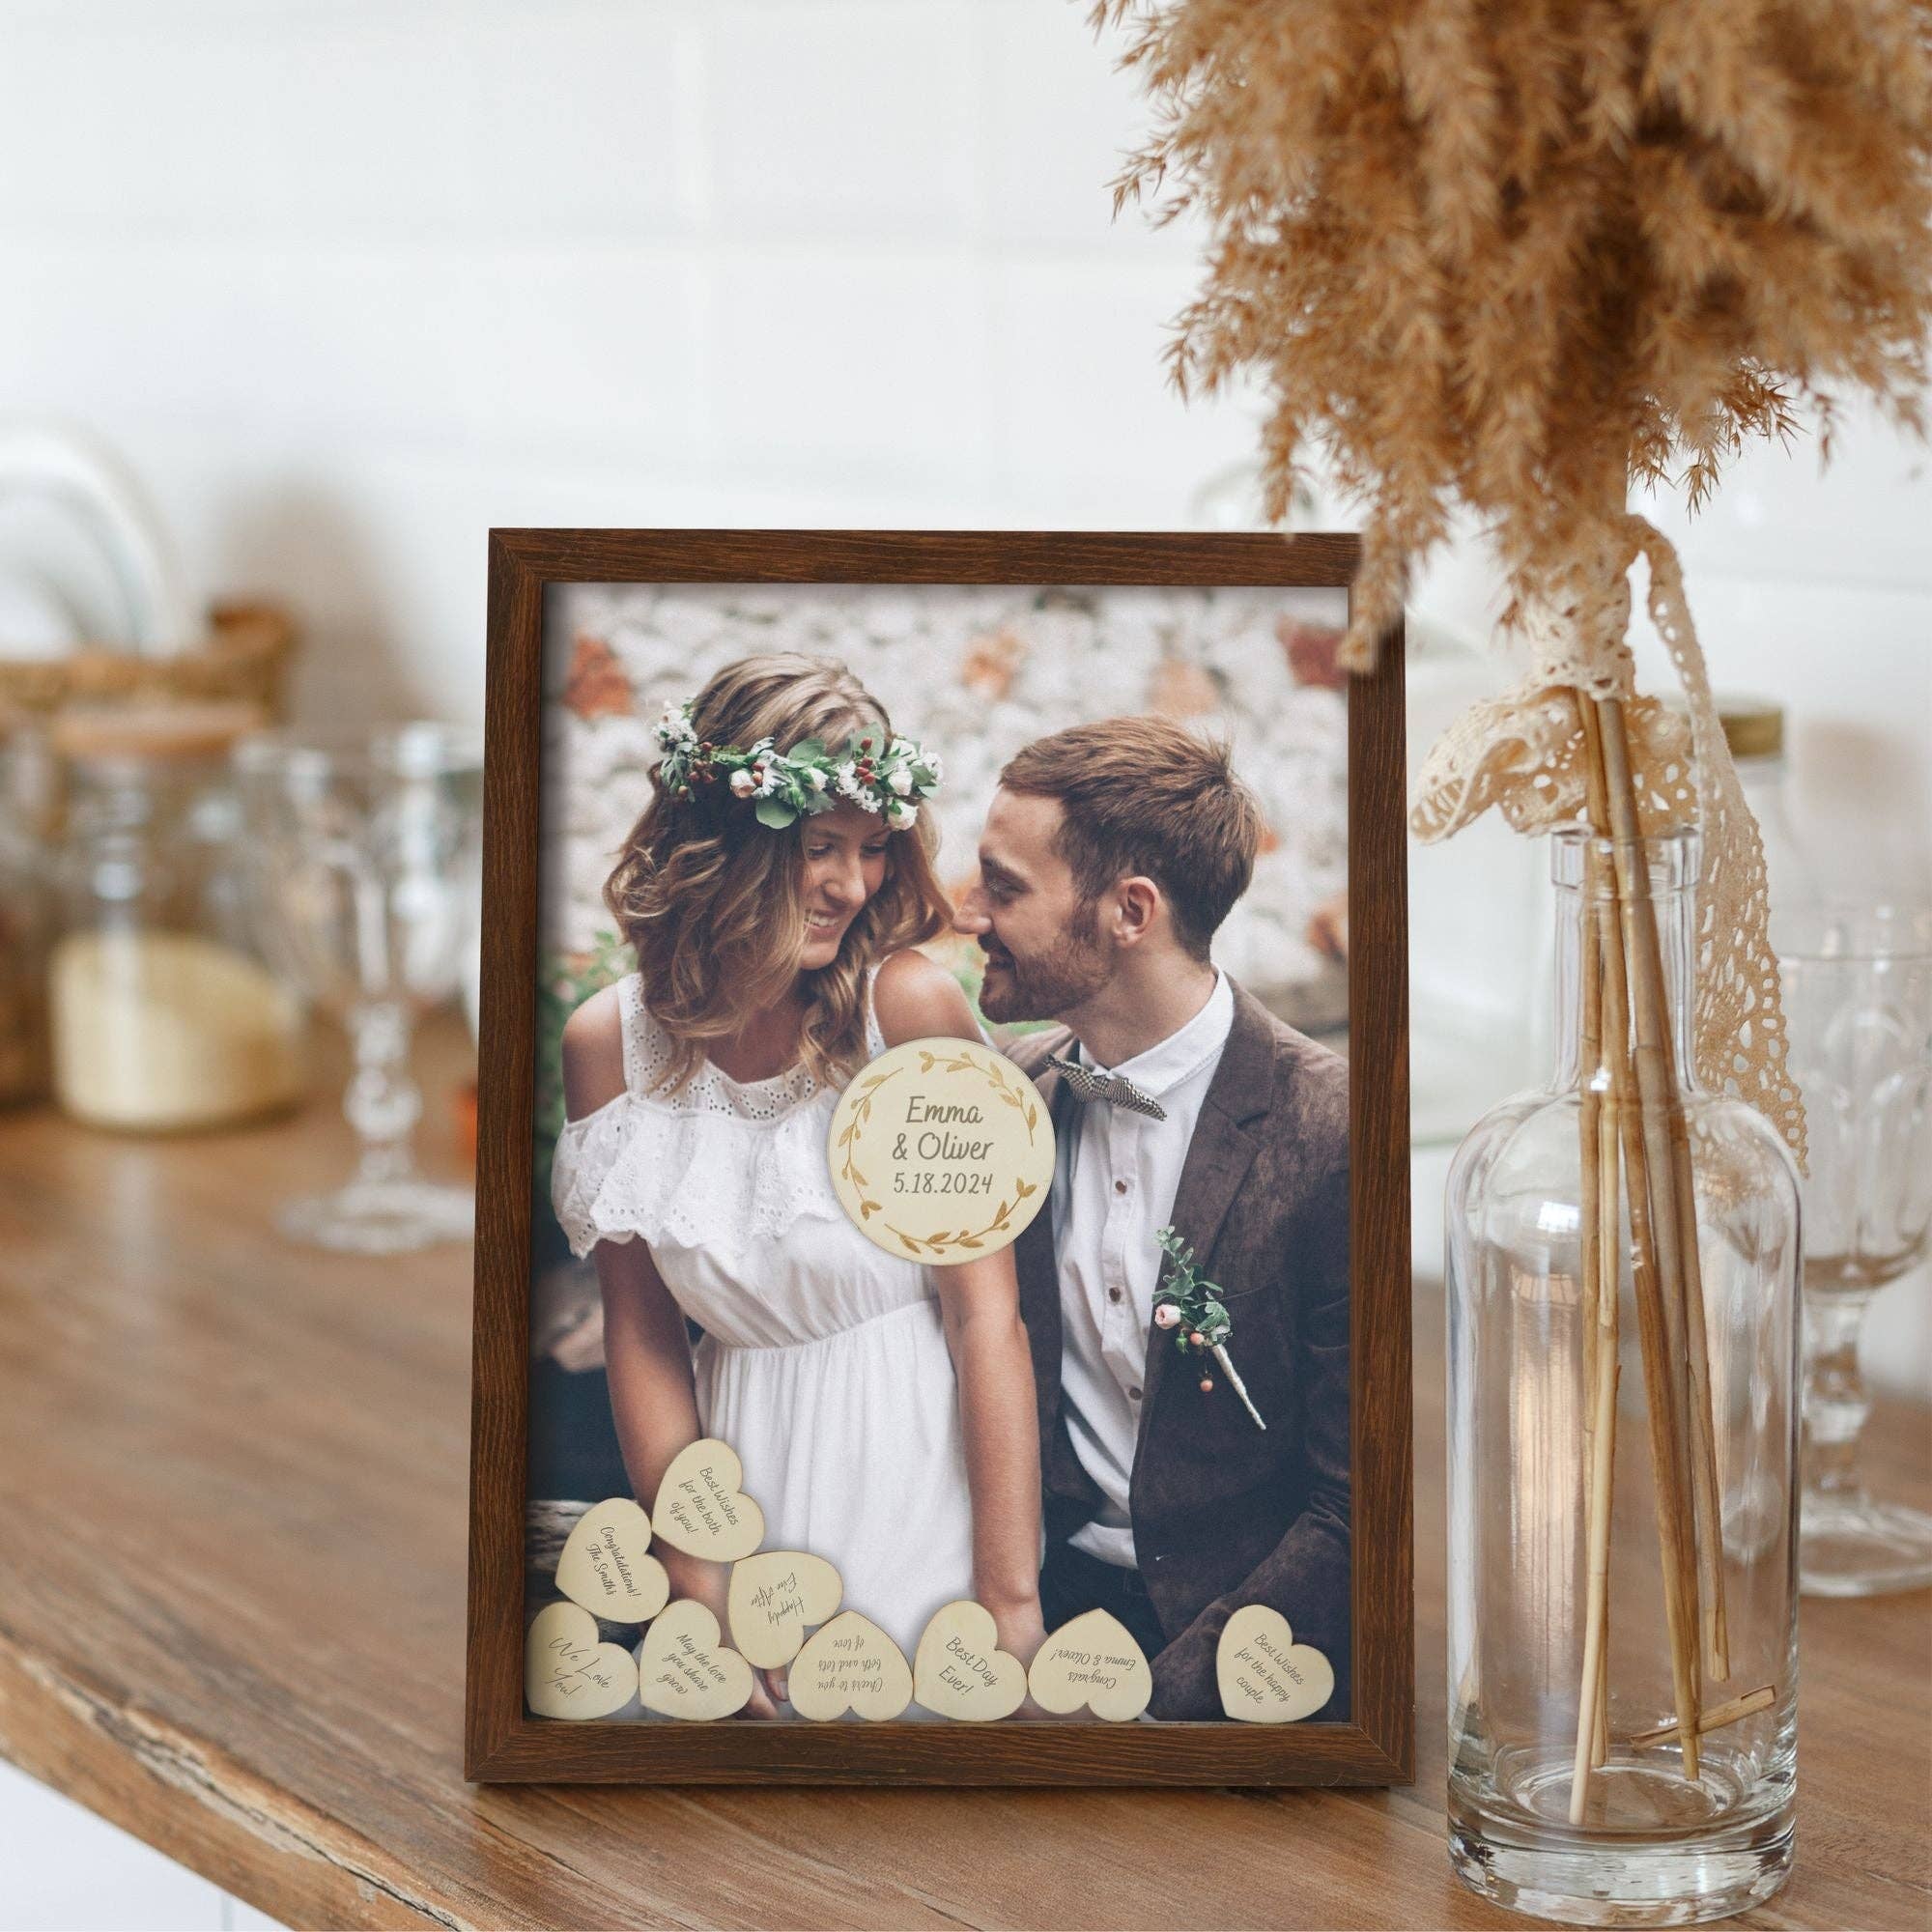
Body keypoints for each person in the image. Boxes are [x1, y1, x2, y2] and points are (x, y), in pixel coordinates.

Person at [553, 654, 1044, 1713]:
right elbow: (640, 1335)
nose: (852, 884)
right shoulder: (608, 1045)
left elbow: (986, 1322)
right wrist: (697, 1578)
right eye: (818, 846)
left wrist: (1007, 1598)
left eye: (871, 850)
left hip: (923, 1483)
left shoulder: (905, 1010)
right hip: (734, 1499)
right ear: (722, 838)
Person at [952, 717, 1351, 1721]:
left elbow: (1353, 1509)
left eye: (1003, 886)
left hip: (1246, 1646)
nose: (967, 913)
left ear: (1128, 910)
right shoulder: (1005, 1098)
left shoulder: (1334, 1131)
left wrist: (1140, 1712)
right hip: (1034, 1613)